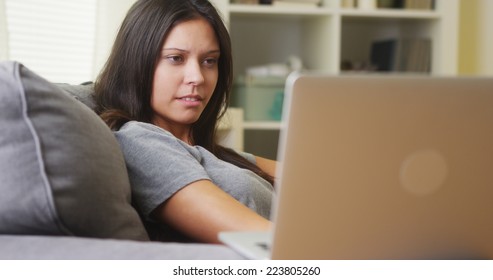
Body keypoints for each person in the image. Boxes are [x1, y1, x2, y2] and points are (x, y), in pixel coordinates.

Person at [94, 0, 277, 244]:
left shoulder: (211, 154)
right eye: (176, 58)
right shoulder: (139, 141)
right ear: (138, 61)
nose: (197, 77)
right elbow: (262, 239)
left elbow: (311, 178)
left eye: (209, 61)